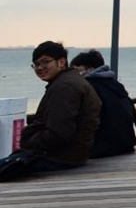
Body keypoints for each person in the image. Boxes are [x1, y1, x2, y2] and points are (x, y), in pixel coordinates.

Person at [0, 42, 101, 181]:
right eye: (36, 64)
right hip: (73, 154)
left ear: (61, 62)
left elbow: (59, 133)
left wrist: (29, 141)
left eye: (45, 62)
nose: (40, 68)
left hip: (60, 157)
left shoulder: (64, 87)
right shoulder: (70, 81)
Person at [70, 49, 135, 158]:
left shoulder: (89, 87)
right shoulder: (115, 84)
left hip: (101, 148)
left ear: (90, 69)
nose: (74, 75)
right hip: (125, 144)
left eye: (77, 70)